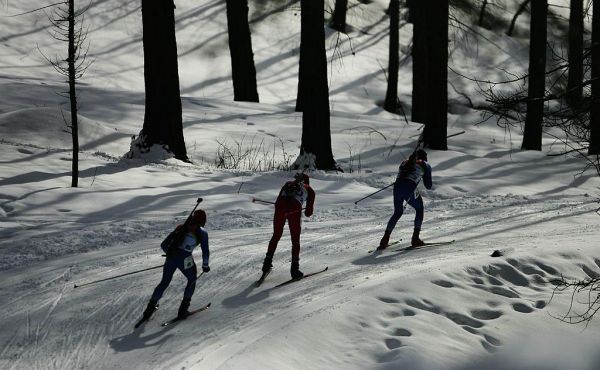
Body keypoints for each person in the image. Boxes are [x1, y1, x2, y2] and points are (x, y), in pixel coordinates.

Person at [142, 210, 210, 320]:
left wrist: (171, 254)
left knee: (164, 282)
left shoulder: (181, 227)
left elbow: (163, 245)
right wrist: (205, 266)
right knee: (192, 279)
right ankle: (183, 311)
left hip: (171, 257)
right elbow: (205, 251)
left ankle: (148, 311)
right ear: (203, 220)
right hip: (185, 258)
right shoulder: (202, 232)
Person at [262, 173, 315, 279]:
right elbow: (308, 213)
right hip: (294, 209)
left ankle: (266, 264)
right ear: (307, 182)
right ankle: (294, 269)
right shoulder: (310, 190)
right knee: (295, 240)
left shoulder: (288, 184)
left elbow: (277, 202)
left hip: (280, 207)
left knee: (276, 235)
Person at [379, 149, 432, 249]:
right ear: (425, 158)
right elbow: (428, 185)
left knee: (397, 212)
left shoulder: (404, 162)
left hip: (397, 187)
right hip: (409, 188)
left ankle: (384, 240)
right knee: (419, 209)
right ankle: (415, 238)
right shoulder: (425, 164)